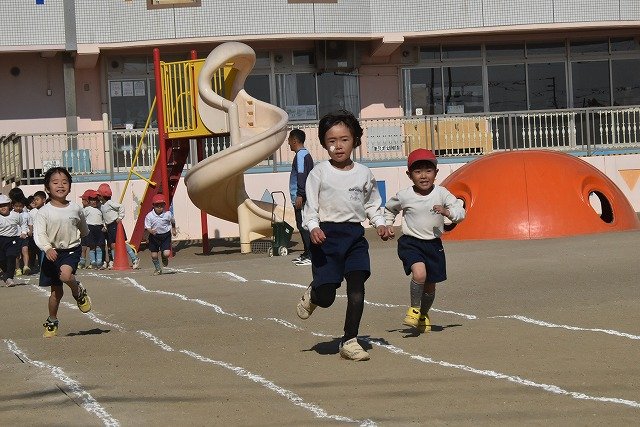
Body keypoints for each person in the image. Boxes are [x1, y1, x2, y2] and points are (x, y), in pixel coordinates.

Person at [295, 110, 392, 361]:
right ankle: (314, 293)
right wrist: (313, 227)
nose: (338, 146)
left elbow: (372, 204)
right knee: (327, 297)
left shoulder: (364, 173)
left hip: (355, 238)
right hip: (326, 238)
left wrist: (380, 223)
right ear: (324, 143)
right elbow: (310, 207)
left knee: (357, 287)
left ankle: (350, 340)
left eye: (344, 139)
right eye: (332, 141)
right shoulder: (319, 173)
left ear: (355, 140)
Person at [384, 148, 466, 332]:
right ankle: (414, 310)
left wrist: (447, 212)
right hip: (411, 242)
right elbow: (390, 208)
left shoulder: (442, 193)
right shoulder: (405, 195)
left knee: (430, 286)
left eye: (428, 171)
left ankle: (423, 314)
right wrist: (388, 224)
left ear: (436, 173)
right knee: (419, 274)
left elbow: (460, 213)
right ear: (409, 175)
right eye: (417, 171)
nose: (423, 176)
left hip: (434, 245)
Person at [33, 167, 91, 338]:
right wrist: (47, 248)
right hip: (51, 252)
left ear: (70, 187)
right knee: (56, 294)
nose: (60, 185)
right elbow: (39, 234)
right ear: (47, 187)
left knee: (66, 276)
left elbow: (83, 228)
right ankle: (52, 321)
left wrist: (84, 236)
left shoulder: (76, 208)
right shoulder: (43, 212)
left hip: (71, 250)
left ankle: (78, 291)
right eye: (55, 182)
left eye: (65, 182)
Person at [96, 183, 139, 269]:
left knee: (121, 243)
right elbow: (105, 217)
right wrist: (105, 226)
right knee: (112, 245)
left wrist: (120, 217)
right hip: (109, 226)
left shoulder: (110, 203)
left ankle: (134, 258)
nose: (97, 197)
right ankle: (115, 261)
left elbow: (121, 207)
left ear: (103, 196)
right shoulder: (102, 206)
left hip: (115, 225)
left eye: (99, 195)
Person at [287, 128, 314, 266]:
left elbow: (302, 175)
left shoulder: (301, 156)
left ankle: (311, 255)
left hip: (301, 197)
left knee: (304, 225)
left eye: (289, 140)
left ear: (294, 140)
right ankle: (307, 252)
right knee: (301, 224)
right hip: (301, 196)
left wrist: (300, 195)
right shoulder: (303, 155)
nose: (288, 143)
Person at [144, 194, 176, 275]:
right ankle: (158, 269)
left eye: (161, 206)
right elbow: (147, 227)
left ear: (164, 205)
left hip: (165, 235)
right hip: (154, 236)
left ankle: (164, 257)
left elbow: (172, 221)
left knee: (166, 253)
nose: (159, 207)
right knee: (154, 255)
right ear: (153, 205)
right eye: (157, 205)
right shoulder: (149, 216)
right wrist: (151, 231)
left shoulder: (167, 214)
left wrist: (173, 229)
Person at [0, 194, 27, 287]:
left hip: (13, 240)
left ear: (9, 205)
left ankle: (10, 278)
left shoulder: (16, 215)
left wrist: (24, 232)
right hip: (1, 239)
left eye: (5, 205)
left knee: (11, 257)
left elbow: (23, 223)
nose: (3, 208)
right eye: (0, 206)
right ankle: (6, 274)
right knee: (2, 259)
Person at [83, 190, 105, 269]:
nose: (94, 202)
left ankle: (99, 262)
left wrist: (104, 226)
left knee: (99, 246)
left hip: (99, 228)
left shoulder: (100, 208)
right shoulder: (87, 209)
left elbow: (104, 218)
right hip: (90, 228)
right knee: (92, 246)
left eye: (96, 200)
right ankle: (93, 262)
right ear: (89, 201)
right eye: (92, 200)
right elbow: (82, 218)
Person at [12, 197, 32, 276]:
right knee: (16, 254)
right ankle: (17, 269)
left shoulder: (26, 214)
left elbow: (30, 224)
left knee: (25, 250)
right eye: (16, 206)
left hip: (24, 236)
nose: (18, 208)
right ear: (13, 206)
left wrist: (30, 231)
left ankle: (26, 266)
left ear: (23, 206)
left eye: (20, 206)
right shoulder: (10, 214)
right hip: (14, 236)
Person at [78, 190, 92, 269]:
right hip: (89, 229)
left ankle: (83, 262)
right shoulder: (92, 209)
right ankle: (89, 262)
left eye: (83, 200)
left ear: (87, 201)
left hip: (86, 229)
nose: (82, 202)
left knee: (84, 246)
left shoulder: (85, 210)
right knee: (89, 246)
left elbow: (81, 219)